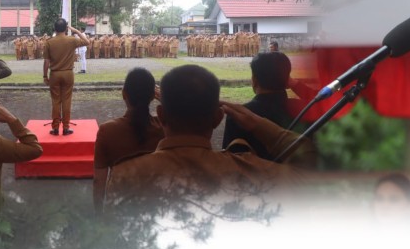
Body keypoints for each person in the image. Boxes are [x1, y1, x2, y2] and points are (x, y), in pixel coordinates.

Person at [105, 64, 305, 202]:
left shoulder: (125, 176)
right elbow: (314, 168)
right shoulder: (252, 173)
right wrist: (257, 123)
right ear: (218, 118)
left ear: (161, 115)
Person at [93, 68, 163, 210]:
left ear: (124, 94)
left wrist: (99, 215)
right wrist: (166, 99)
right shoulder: (164, 128)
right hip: (155, 205)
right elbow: (187, 119)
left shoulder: (108, 131)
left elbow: (99, 180)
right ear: (152, 96)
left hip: (120, 203)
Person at [221, 51, 301, 159]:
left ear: (254, 80)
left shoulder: (239, 116)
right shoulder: (304, 110)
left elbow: (231, 160)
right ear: (288, 80)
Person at [42, 18, 89, 136]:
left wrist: (44, 76)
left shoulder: (49, 42)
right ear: (65, 28)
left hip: (54, 74)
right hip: (68, 73)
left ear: (55, 29)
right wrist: (76, 31)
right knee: (66, 101)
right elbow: (87, 42)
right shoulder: (71, 40)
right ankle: (66, 128)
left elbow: (46, 62)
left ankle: (56, 128)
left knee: (55, 101)